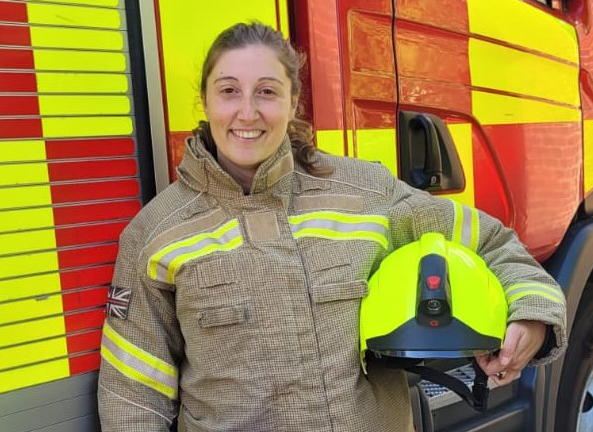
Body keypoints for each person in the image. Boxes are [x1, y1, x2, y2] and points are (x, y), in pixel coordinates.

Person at [97, 22, 567, 431]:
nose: (247, 112)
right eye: (228, 91)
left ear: (292, 101)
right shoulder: (157, 233)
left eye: (266, 91)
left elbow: (492, 242)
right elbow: (133, 393)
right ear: (204, 100)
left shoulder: (365, 193)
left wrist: (532, 313)